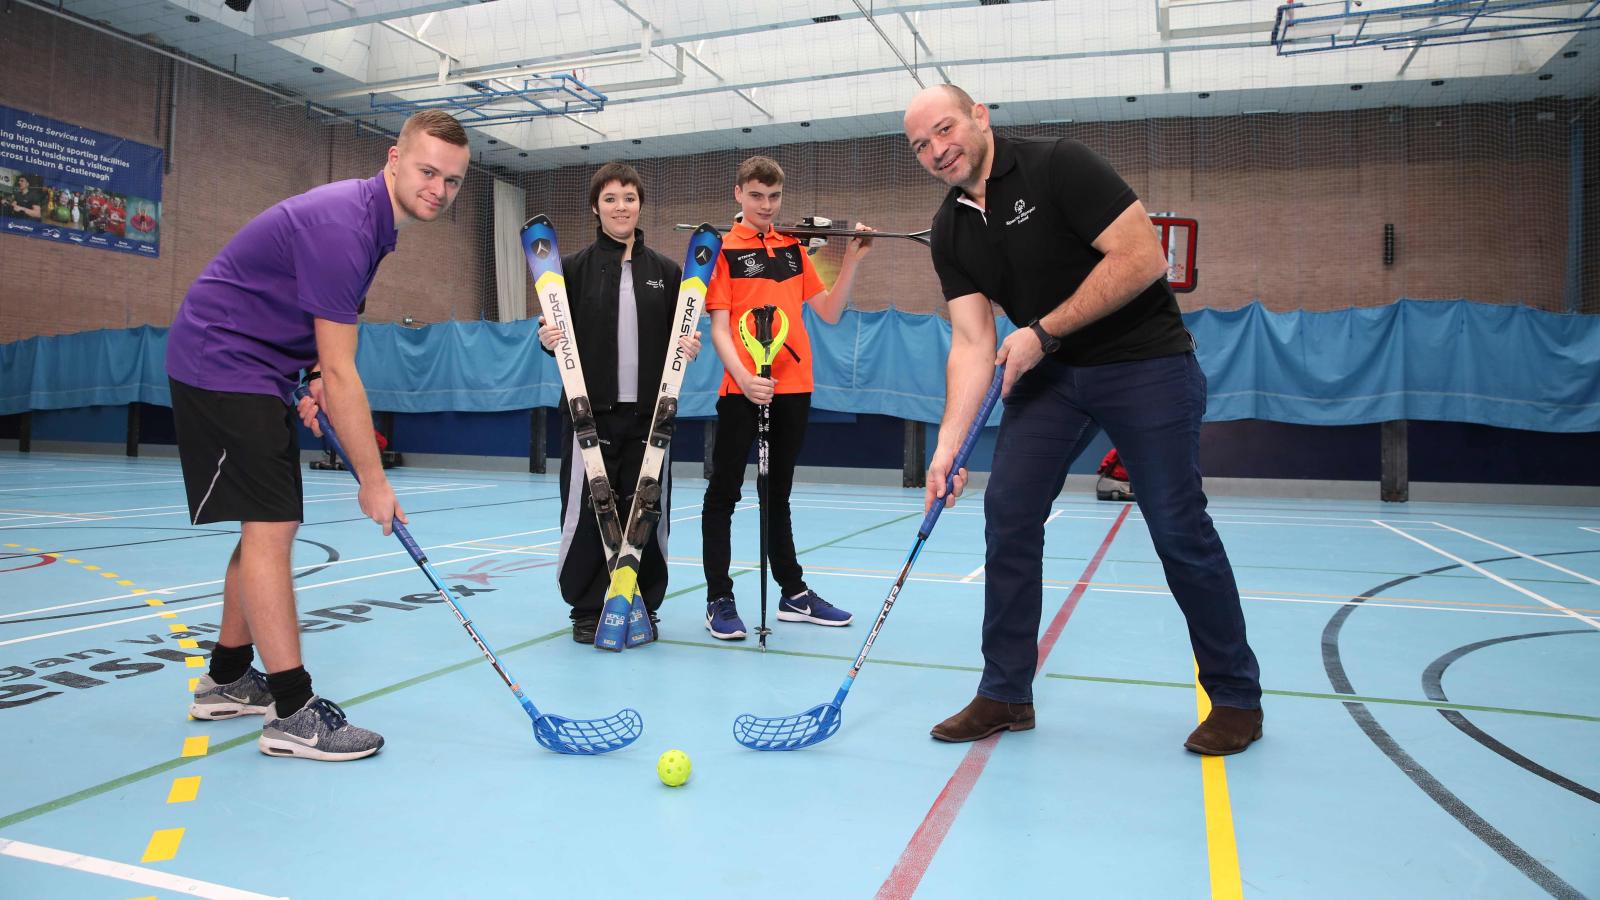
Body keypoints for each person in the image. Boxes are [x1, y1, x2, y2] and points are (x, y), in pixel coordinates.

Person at [903, 85, 1264, 755]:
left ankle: (1237, 695)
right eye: (920, 144)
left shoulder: (1058, 165)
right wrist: (947, 452)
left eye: (944, 129)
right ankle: (1005, 692)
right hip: (1053, 377)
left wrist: (1043, 331)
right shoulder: (950, 229)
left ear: (980, 116)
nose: (936, 150)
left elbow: (1142, 257)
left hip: (1145, 362)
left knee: (1178, 525)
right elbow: (974, 344)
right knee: (1007, 513)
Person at [164, 110, 470, 761]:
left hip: (259, 366)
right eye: (427, 171)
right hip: (221, 360)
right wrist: (374, 481)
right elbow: (342, 368)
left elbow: (317, 343)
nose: (438, 190)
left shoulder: (374, 223)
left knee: (266, 524)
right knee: (271, 526)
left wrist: (306, 381)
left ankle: (227, 679)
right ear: (394, 159)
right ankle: (294, 713)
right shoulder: (344, 226)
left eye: (451, 180)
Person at [700, 155, 874, 640]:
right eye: (756, 196)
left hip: (795, 388)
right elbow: (718, 329)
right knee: (724, 494)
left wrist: (853, 261)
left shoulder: (795, 250)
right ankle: (719, 598)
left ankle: (793, 594)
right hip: (742, 389)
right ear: (738, 194)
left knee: (778, 495)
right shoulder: (721, 249)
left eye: (774, 197)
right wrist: (744, 378)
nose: (766, 206)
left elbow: (831, 312)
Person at [536, 161, 700, 643]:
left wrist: (688, 344)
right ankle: (588, 608)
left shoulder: (668, 273)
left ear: (640, 205)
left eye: (629, 197)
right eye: (610, 198)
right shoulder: (572, 269)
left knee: (646, 510)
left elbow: (680, 335)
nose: (620, 206)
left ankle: (641, 602)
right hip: (591, 416)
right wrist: (545, 338)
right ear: (596, 207)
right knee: (586, 512)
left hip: (652, 418)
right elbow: (552, 335)